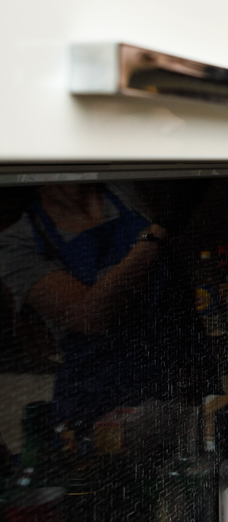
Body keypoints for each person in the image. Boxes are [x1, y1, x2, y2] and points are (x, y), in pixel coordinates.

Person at [0, 183, 167, 430]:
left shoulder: (128, 192)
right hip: (98, 401)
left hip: (173, 376)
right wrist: (154, 238)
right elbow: (90, 315)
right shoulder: (17, 242)